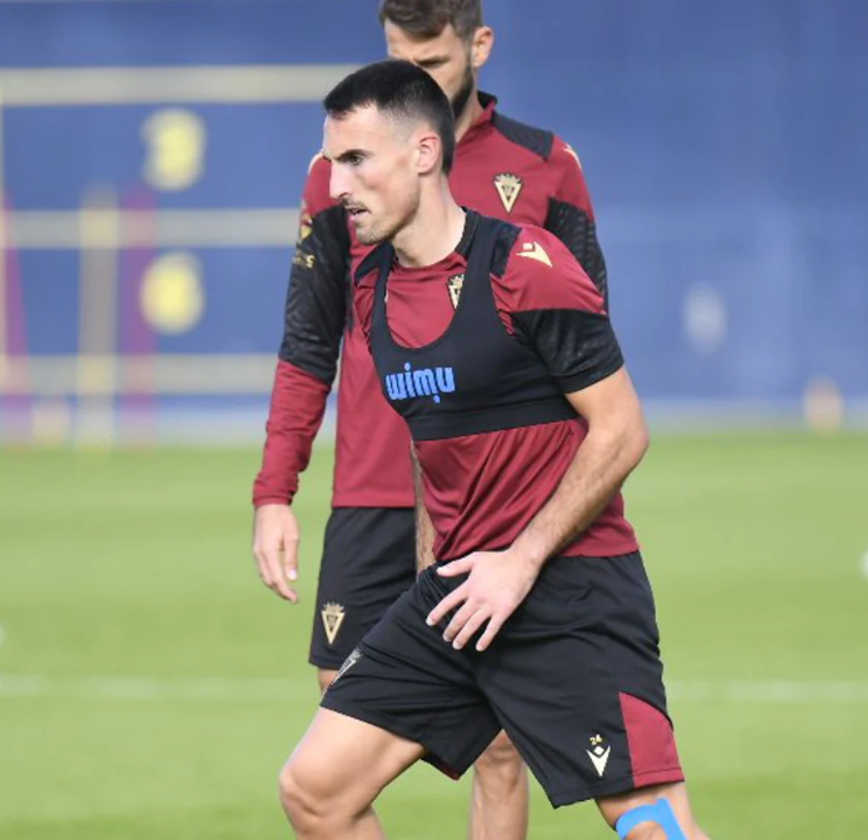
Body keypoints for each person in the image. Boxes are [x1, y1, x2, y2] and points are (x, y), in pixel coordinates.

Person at [277, 61, 712, 840]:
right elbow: (431, 446)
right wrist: (425, 579)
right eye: (332, 160)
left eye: (356, 160)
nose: (336, 184)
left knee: (651, 829)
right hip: (457, 595)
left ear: (422, 153)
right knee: (316, 792)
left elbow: (622, 429)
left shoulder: (527, 267)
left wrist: (521, 560)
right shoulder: (370, 286)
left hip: (568, 593)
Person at [253, 3, 608, 835]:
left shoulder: (546, 166)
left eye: (436, 60)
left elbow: (591, 346)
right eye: (398, 57)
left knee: (499, 746)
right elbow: (308, 342)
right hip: (373, 489)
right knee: (337, 736)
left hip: (496, 499)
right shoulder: (339, 175)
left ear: (479, 46)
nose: (417, 77)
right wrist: (276, 490)